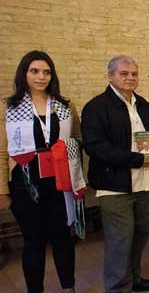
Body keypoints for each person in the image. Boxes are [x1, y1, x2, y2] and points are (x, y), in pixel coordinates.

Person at [81, 55, 149, 293]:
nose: (130, 78)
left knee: (141, 233)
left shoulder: (143, 105)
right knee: (120, 240)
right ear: (110, 76)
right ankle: (117, 288)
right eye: (124, 74)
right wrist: (136, 159)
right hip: (114, 185)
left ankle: (134, 279)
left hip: (145, 181)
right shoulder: (96, 107)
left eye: (134, 74)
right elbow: (95, 147)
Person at [0, 50, 79, 293]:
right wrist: (2, 191)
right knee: (33, 242)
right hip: (25, 183)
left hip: (59, 182)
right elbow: (2, 151)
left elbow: (76, 140)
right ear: (24, 73)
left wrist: (77, 182)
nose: (41, 77)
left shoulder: (66, 106)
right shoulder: (8, 107)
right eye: (34, 71)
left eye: (46, 72)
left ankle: (68, 287)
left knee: (62, 239)